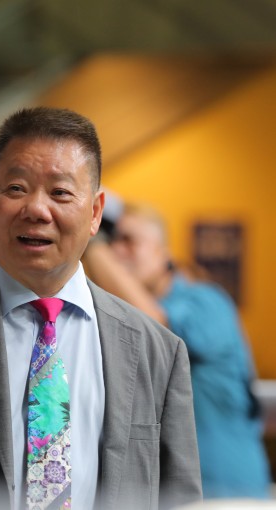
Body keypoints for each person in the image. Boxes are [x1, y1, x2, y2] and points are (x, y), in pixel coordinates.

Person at [0, 107, 202, 509]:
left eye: (61, 192)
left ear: (95, 213)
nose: (36, 209)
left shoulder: (158, 351)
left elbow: (179, 499)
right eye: (15, 188)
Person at [86, 202, 271, 499]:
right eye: (114, 242)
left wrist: (91, 244)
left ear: (163, 253)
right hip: (168, 493)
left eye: (129, 241)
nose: (117, 252)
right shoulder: (116, 320)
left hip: (227, 492)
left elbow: (157, 327)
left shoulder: (207, 301)